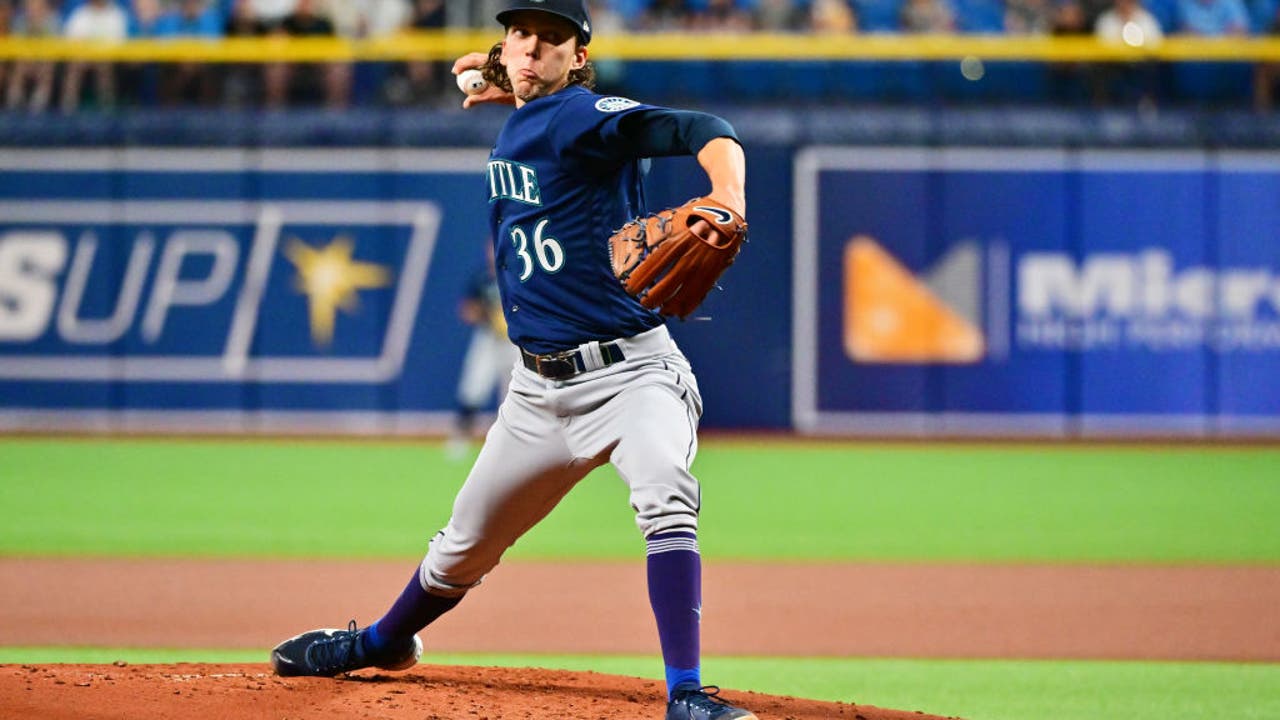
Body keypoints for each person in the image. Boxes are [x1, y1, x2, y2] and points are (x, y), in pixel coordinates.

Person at [267, 1, 755, 719]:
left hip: (632, 376)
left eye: (552, 39)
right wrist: (499, 79)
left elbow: (701, 129)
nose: (532, 48)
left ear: (578, 56)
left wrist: (728, 192)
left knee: (665, 494)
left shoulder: (585, 117)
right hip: (537, 393)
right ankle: (379, 642)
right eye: (520, 34)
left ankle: (686, 693)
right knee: (459, 551)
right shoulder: (527, 107)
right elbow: (514, 77)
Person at [446, 243, 518, 461]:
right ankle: (460, 438)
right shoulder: (481, 279)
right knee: (474, 386)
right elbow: (466, 310)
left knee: (517, 394)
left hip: (515, 341)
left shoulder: (519, 277)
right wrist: (486, 315)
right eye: (490, 249)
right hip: (488, 338)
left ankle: (514, 445)